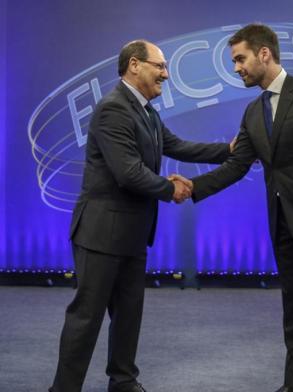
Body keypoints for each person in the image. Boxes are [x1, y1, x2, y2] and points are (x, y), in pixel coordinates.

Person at [49, 40, 234, 392]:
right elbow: (128, 173)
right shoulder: (112, 109)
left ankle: (123, 382)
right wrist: (172, 189)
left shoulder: (147, 111)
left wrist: (227, 152)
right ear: (134, 65)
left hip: (132, 235)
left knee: (128, 315)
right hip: (100, 234)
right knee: (86, 318)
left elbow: (178, 146)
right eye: (160, 66)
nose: (166, 74)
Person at [181, 24, 293, 392]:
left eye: (240, 59)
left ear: (264, 54)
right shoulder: (252, 111)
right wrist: (192, 187)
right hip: (282, 230)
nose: (236, 68)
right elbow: (236, 166)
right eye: (234, 62)